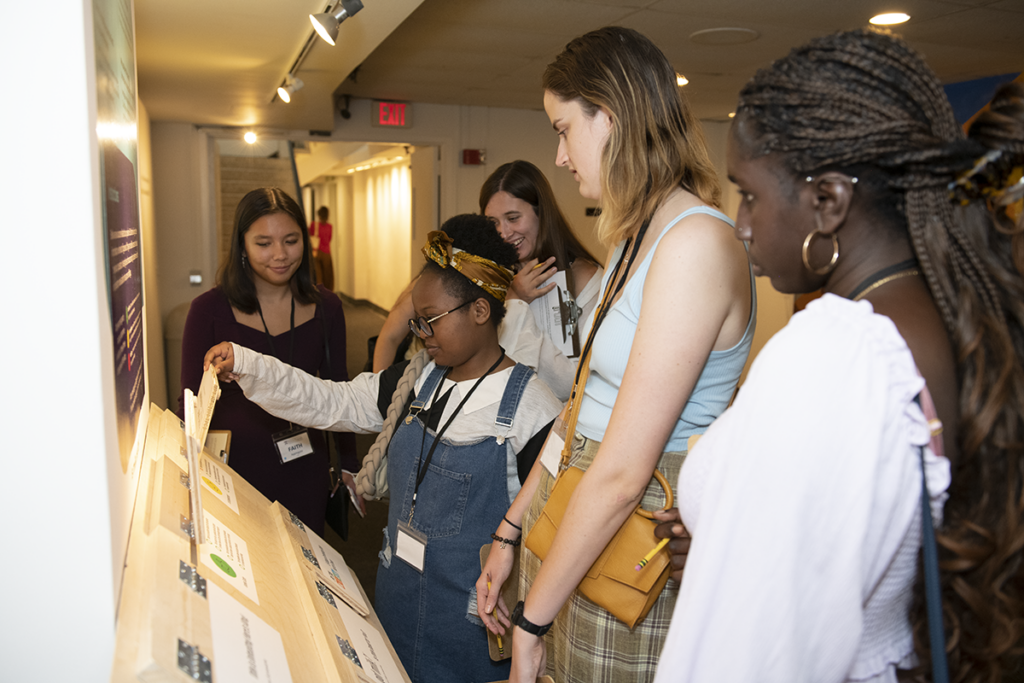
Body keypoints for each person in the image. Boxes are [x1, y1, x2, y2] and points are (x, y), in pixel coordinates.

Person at [652, 29, 1024, 682]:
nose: (740, 224)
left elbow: (750, 661)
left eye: (750, 193)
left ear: (828, 201)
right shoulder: (945, 312)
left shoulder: (831, 357)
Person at [476, 27, 756, 683]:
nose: (561, 155)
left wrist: (530, 624)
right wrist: (511, 527)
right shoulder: (634, 238)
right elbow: (581, 409)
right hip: (579, 511)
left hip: (634, 532)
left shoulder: (693, 244)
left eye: (564, 128)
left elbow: (626, 469)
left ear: (611, 115)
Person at [203, 215, 564, 683]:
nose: (420, 333)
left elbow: (551, 541)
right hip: (394, 604)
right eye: (417, 320)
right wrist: (249, 364)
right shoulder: (415, 379)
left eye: (431, 320)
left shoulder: (533, 411)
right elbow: (330, 400)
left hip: (471, 634)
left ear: (479, 311)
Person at [178, 187, 358, 535]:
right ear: (242, 245)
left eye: (290, 240)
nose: (280, 255)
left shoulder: (327, 307)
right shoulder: (208, 310)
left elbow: (340, 389)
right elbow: (189, 402)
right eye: (263, 243)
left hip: (305, 467)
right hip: (232, 469)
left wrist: (349, 463)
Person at [372, 161, 603, 400]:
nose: (503, 233)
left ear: (542, 215)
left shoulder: (583, 278)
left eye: (513, 218)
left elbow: (578, 380)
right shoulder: (469, 265)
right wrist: (383, 405)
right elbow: (390, 335)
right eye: (493, 222)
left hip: (540, 415)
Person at [310, 205, 335, 291]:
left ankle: (318, 295)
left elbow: (309, 236)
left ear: (319, 215)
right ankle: (327, 296)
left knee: (318, 277)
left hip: (316, 253)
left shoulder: (314, 225)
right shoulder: (330, 227)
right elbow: (329, 239)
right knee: (327, 278)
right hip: (327, 254)